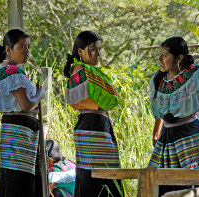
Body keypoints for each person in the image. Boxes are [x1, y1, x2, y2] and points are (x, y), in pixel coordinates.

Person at [148, 35, 199, 196]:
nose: (160, 59)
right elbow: (160, 111)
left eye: (165, 55)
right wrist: (157, 132)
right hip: (167, 138)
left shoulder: (196, 75)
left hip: (190, 136)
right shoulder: (159, 79)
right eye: (160, 54)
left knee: (195, 181)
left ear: (179, 57)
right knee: (162, 182)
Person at [64, 31, 123, 197]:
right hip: (94, 127)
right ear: (80, 51)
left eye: (99, 49)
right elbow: (105, 100)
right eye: (93, 49)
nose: (98, 54)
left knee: (92, 174)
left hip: (90, 124)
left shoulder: (84, 71)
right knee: (102, 175)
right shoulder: (83, 71)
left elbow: (104, 100)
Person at [0, 29, 45, 197]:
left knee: (12, 177)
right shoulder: (12, 72)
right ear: (8, 50)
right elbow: (26, 104)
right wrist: (40, 94)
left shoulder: (1, 70)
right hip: (20, 132)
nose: (27, 52)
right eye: (21, 47)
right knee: (19, 181)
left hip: (14, 129)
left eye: (28, 47)